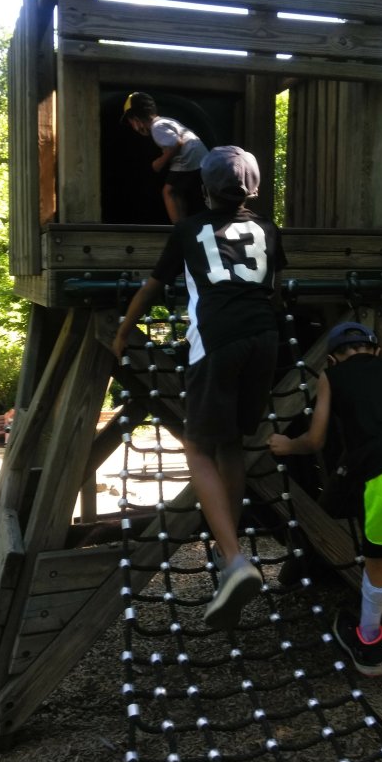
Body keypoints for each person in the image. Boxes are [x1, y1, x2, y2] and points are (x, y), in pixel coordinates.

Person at [112, 145, 286, 630]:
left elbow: (154, 284)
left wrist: (125, 328)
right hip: (265, 338)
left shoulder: (188, 230)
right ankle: (231, 547)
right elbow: (274, 287)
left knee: (196, 445)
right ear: (254, 189)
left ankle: (234, 561)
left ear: (204, 189)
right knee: (230, 443)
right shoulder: (268, 228)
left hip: (218, 337)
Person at [268, 322, 382, 677]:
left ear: (333, 358)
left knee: (376, 556)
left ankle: (368, 644)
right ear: (376, 350)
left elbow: (316, 440)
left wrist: (287, 445)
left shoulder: (331, 375)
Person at [120, 91, 209, 222]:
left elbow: (176, 143)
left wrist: (159, 163)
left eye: (131, 122)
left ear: (136, 120)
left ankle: (179, 227)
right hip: (201, 157)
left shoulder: (156, 127)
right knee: (178, 191)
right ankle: (184, 221)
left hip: (189, 158)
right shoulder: (165, 121)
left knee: (168, 191)